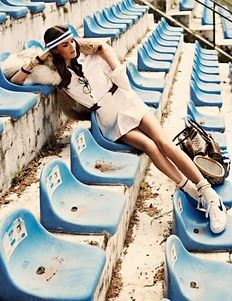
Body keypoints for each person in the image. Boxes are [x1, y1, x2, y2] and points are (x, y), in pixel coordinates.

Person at [11, 25, 227, 234]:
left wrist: (104, 52)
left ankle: (207, 193)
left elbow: (122, 80)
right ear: (55, 50)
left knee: (164, 143)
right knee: (150, 147)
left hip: (126, 101)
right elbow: (16, 80)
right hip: (108, 118)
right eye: (65, 45)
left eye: (72, 41)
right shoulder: (59, 77)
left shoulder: (94, 56)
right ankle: (189, 189)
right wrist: (38, 59)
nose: (72, 47)